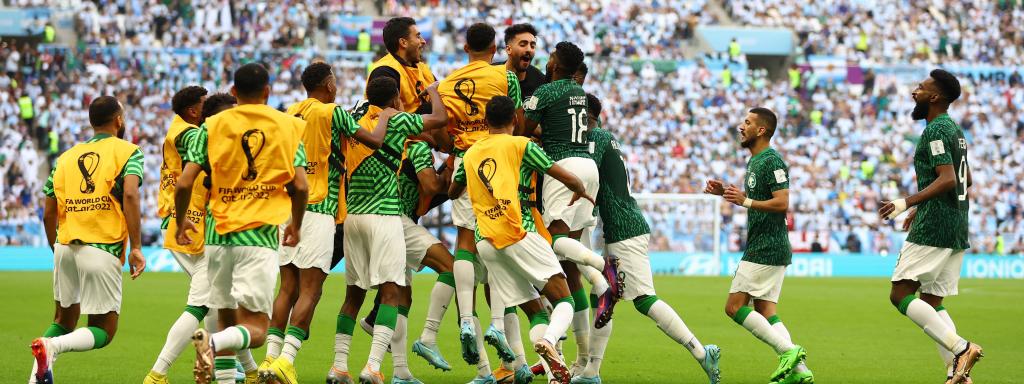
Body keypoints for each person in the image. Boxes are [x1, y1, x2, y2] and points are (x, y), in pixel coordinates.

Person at [175, 63, 309, 384]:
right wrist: (297, 225)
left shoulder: (210, 126)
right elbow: (301, 186)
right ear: (268, 91)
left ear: (234, 92)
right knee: (257, 330)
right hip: (258, 235)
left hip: (217, 234)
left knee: (225, 319)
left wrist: (181, 224)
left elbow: (183, 184)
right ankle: (212, 343)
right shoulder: (288, 126)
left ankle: (217, 350)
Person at [450, 95, 597, 384]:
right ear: (515, 120)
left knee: (536, 310)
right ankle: (551, 342)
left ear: (487, 122)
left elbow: (453, 191)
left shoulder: (471, 152)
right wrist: (580, 187)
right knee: (563, 299)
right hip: (517, 232)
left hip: (484, 241)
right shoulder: (520, 144)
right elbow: (560, 173)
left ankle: (551, 365)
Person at [574, 94, 720, 384]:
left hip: (625, 228)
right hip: (619, 227)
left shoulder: (597, 138)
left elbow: (581, 173)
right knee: (601, 296)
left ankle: (702, 353)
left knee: (643, 300)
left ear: (585, 116)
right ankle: (591, 370)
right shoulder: (607, 138)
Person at [261, 62, 389, 384]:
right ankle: (287, 361)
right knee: (311, 290)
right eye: (335, 81)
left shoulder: (290, 112)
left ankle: (269, 360)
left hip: (288, 209)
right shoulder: (333, 112)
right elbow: (374, 141)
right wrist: (385, 115)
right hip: (319, 209)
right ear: (329, 84)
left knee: (286, 289)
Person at [327, 76, 447, 384]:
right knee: (392, 292)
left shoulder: (353, 119)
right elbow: (439, 119)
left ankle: (339, 367)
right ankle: (373, 367)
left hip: (353, 217)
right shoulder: (397, 120)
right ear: (394, 99)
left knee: (353, 295)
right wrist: (433, 91)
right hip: (385, 216)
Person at [31, 96, 146, 383]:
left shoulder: (65, 157)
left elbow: (48, 211)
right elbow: (130, 194)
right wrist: (137, 248)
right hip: (102, 245)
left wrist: (55, 246)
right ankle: (52, 346)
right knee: (104, 330)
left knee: (62, 321)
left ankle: (35, 378)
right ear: (119, 120)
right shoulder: (129, 151)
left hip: (65, 245)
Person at [877, 69, 981, 384]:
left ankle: (961, 348)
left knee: (900, 294)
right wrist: (921, 205)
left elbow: (948, 178)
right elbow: (966, 179)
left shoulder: (935, 129)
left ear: (934, 97)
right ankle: (957, 372)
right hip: (956, 223)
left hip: (935, 225)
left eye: (921, 88)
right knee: (931, 302)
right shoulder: (955, 131)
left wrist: (906, 202)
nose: (915, 91)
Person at [434, 23, 525, 381]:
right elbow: (513, 120)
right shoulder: (505, 78)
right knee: (497, 248)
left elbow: (441, 127)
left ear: (466, 45)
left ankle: (468, 319)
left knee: (464, 243)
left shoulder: (448, 82)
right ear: (494, 47)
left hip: (465, 163)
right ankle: (499, 328)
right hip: (499, 165)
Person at [524, 41, 620, 370]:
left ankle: (602, 271)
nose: (546, 59)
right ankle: (581, 358)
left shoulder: (547, 92)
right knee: (568, 268)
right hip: (586, 168)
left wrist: (537, 128)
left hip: (562, 169)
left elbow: (522, 130)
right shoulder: (579, 92)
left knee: (555, 242)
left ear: (556, 62)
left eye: (550, 55)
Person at [704, 107, 813, 384]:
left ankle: (788, 351)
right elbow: (755, 198)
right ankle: (799, 373)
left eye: (747, 122)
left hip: (766, 246)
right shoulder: (754, 162)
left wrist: (745, 201)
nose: (741, 126)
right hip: (766, 245)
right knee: (765, 311)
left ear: (761, 130)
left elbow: (782, 202)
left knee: (733, 307)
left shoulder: (772, 161)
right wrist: (727, 193)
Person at [146, 85, 220, 384]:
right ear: (193, 111)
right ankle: (157, 373)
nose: (211, 109)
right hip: (188, 223)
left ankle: (221, 367)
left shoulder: (178, 130)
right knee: (202, 303)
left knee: (216, 301)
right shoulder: (187, 133)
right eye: (206, 105)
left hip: (184, 220)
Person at [365, 17, 436, 114]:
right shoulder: (384, 72)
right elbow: (390, 121)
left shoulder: (422, 67)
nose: (423, 41)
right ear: (403, 42)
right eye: (418, 36)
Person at [501, 23, 545, 98]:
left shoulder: (541, 81)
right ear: (508, 49)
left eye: (532, 46)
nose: (529, 49)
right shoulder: (492, 74)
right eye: (523, 45)